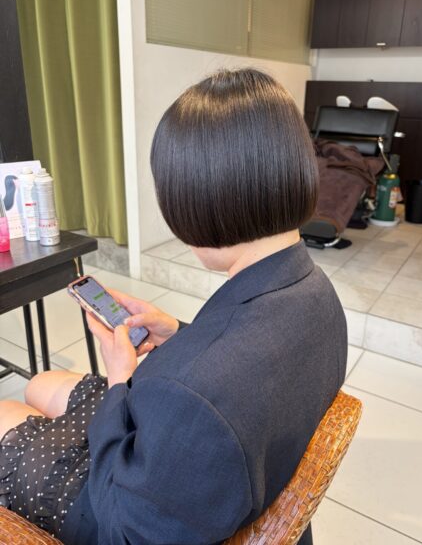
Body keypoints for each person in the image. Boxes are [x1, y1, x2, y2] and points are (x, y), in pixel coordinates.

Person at [0, 68, 347, 545]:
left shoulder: (193, 391)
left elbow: (126, 533)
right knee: (39, 383)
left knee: (5, 412)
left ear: (199, 201)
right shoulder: (316, 292)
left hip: (122, 500)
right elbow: (244, 369)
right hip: (199, 449)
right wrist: (179, 335)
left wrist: (120, 378)